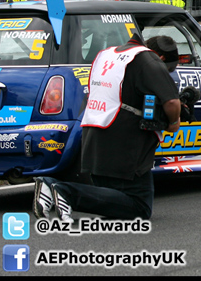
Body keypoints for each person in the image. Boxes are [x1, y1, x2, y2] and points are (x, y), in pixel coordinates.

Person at [32, 34, 184, 221]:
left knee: (113, 200)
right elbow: (171, 102)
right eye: (168, 69)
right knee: (140, 208)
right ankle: (64, 191)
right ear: (161, 58)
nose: (166, 73)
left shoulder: (106, 54)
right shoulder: (147, 59)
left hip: (93, 138)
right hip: (124, 144)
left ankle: (50, 186)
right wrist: (174, 123)